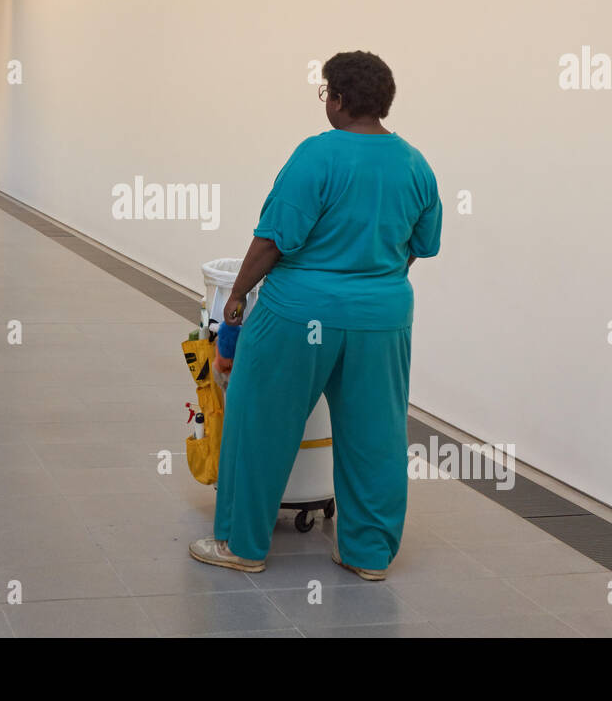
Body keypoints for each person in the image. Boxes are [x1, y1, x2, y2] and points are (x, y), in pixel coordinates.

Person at [189, 50, 442, 579]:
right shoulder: (416, 164)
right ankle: (367, 554)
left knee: (260, 421)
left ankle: (242, 544)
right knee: (377, 435)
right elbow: (420, 244)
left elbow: (272, 240)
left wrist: (235, 302)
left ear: (340, 100)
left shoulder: (317, 155)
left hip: (298, 314)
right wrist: (371, 279)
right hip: (382, 316)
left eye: (326, 92)